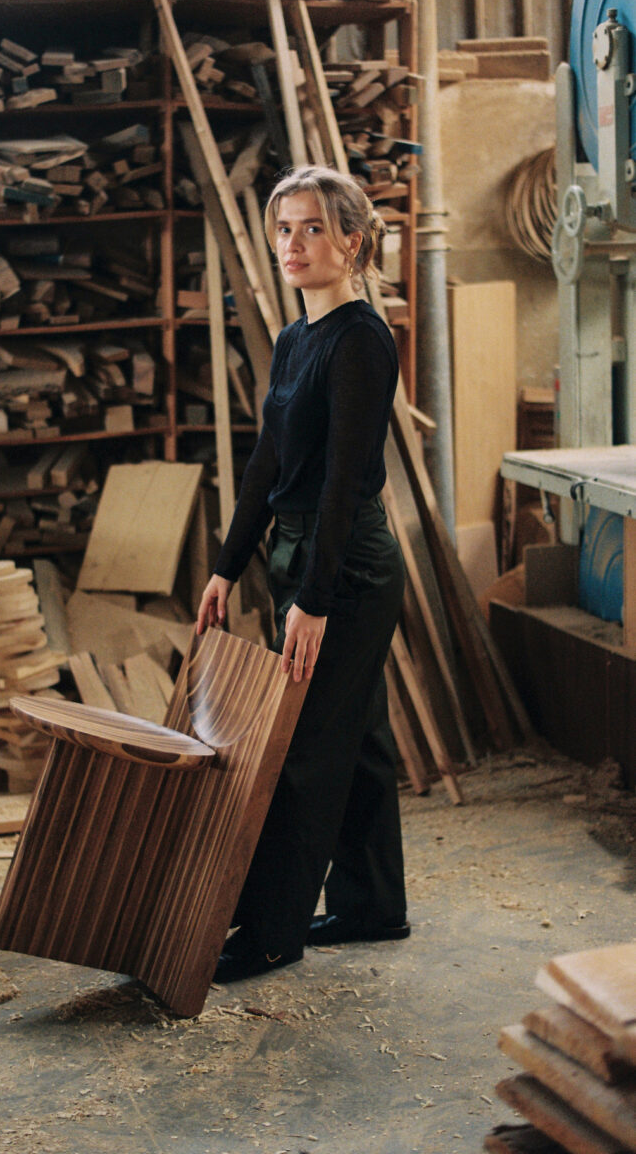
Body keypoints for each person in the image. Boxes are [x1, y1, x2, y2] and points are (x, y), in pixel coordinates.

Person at [196, 164, 409, 984]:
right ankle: (373, 905)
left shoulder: (362, 340)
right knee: (357, 738)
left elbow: (344, 477)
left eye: (313, 228)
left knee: (307, 749)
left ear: (351, 242)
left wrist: (314, 601)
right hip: (303, 555)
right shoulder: (296, 338)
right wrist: (227, 565)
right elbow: (270, 461)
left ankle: (273, 932)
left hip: (345, 564)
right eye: (284, 228)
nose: (293, 244)